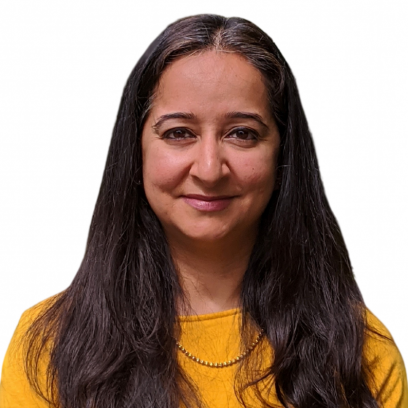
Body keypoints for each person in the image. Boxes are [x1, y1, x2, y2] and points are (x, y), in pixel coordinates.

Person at [0, 13, 406, 408]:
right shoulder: (48, 347)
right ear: (135, 152)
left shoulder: (361, 353)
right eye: (179, 133)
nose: (209, 169)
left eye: (242, 133)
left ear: (284, 156)